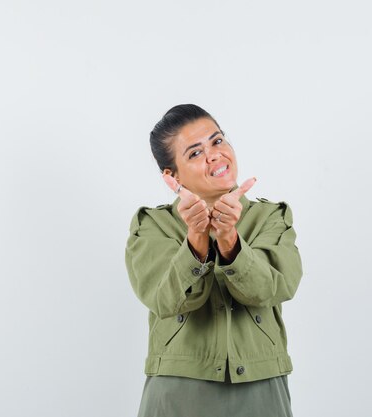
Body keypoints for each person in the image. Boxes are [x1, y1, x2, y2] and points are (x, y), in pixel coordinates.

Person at [125, 104, 303, 417]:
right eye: (194, 153)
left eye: (217, 141)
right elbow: (166, 300)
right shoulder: (152, 225)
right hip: (178, 392)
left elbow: (270, 289)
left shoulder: (271, 218)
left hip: (259, 388)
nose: (214, 155)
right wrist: (196, 237)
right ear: (171, 175)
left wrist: (229, 239)